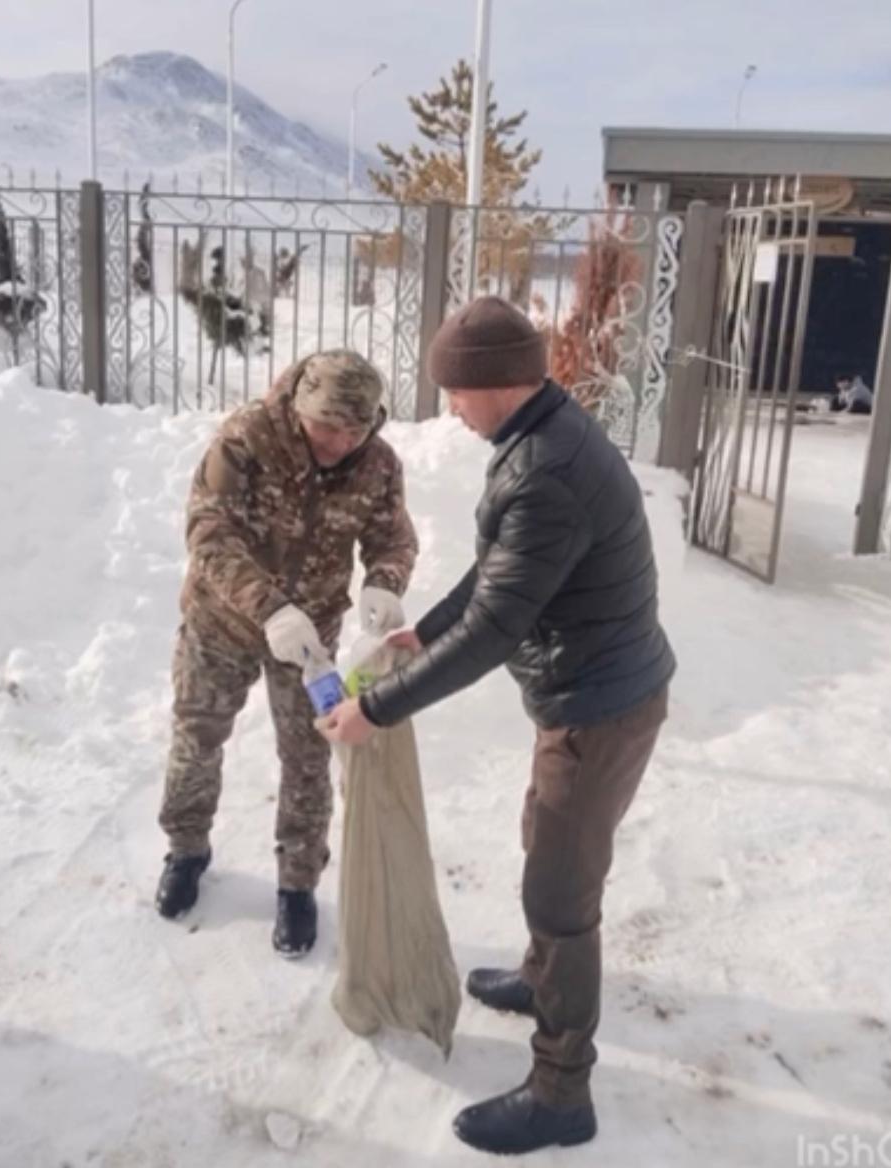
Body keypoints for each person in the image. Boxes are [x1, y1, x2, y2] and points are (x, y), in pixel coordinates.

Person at [320, 297, 676, 1154]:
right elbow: (500, 568)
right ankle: (535, 975)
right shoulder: (542, 440)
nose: (450, 407)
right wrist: (426, 627)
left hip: (600, 708)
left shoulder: (548, 469)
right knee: (542, 845)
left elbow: (497, 628)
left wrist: (376, 708)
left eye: (456, 390)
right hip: (592, 696)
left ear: (500, 384)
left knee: (560, 896)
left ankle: (562, 1092)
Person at [156, 350, 418, 958]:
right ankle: (186, 849)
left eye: (355, 430)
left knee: (307, 754)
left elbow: (393, 536)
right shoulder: (246, 441)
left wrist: (385, 579)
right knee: (198, 734)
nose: (339, 442)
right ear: (300, 407)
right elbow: (208, 535)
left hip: (312, 641)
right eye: (327, 426)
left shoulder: (376, 464)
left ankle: (298, 882)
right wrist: (269, 607)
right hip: (222, 620)